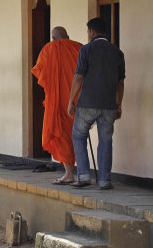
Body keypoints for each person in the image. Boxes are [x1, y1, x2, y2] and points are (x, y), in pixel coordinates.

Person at [67, 18, 125, 190]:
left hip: (87, 104)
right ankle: (105, 180)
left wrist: (71, 101)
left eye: (88, 32)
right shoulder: (117, 52)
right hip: (108, 105)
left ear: (92, 31)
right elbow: (120, 82)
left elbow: (78, 77)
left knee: (78, 136)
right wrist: (118, 104)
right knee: (106, 141)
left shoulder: (86, 50)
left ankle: (84, 176)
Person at [32, 27, 82, 184]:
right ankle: (84, 173)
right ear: (68, 36)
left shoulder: (49, 49)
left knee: (62, 136)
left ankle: (69, 173)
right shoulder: (79, 47)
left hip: (59, 103)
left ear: (53, 38)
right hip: (78, 101)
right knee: (79, 136)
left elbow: (40, 73)